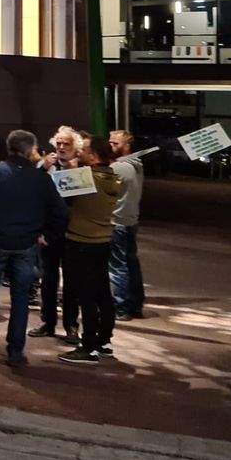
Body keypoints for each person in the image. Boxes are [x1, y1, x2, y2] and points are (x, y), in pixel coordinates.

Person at [0, 130, 67, 367]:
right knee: (20, 296)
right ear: (30, 149)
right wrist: (47, 236)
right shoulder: (40, 178)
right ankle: (15, 351)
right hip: (26, 243)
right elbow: (60, 213)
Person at [58, 136, 122, 365]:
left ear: (93, 155)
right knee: (103, 294)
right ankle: (105, 341)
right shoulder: (113, 178)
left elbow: (55, 191)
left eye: (83, 150)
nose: (79, 153)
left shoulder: (84, 178)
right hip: (102, 241)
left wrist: (66, 166)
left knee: (85, 296)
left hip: (80, 242)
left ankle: (88, 347)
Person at [29, 126, 84, 344]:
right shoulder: (45, 167)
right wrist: (43, 169)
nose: (61, 147)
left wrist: (74, 172)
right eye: (58, 143)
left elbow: (78, 203)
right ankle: (48, 322)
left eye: (66, 144)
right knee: (48, 279)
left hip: (73, 233)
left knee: (72, 282)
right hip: (49, 233)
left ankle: (71, 325)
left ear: (75, 147)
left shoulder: (82, 168)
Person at [108, 130, 145, 321]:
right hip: (130, 221)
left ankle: (120, 306)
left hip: (117, 221)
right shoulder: (136, 165)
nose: (110, 146)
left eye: (115, 143)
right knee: (131, 264)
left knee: (117, 267)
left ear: (127, 146)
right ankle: (135, 305)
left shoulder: (119, 167)